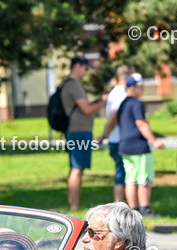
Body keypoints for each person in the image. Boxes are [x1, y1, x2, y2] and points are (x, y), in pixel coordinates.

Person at [60, 55, 107, 212]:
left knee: (76, 168)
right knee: (77, 168)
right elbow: (86, 109)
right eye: (85, 68)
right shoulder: (73, 85)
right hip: (79, 131)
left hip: (76, 130)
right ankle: (74, 207)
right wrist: (103, 101)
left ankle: (73, 204)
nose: (86, 72)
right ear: (77, 66)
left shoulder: (69, 84)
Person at [113, 73, 164, 217]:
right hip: (138, 147)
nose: (142, 90)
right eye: (141, 87)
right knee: (144, 178)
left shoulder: (123, 103)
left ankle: (133, 210)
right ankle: (145, 209)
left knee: (130, 178)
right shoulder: (136, 103)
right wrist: (153, 140)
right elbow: (140, 123)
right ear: (133, 88)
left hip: (124, 146)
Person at [96, 65, 132, 202]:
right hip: (117, 140)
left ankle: (121, 204)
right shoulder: (120, 94)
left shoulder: (117, 92)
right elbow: (113, 117)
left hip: (117, 139)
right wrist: (104, 134)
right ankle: (119, 205)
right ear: (127, 76)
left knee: (123, 172)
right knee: (122, 173)